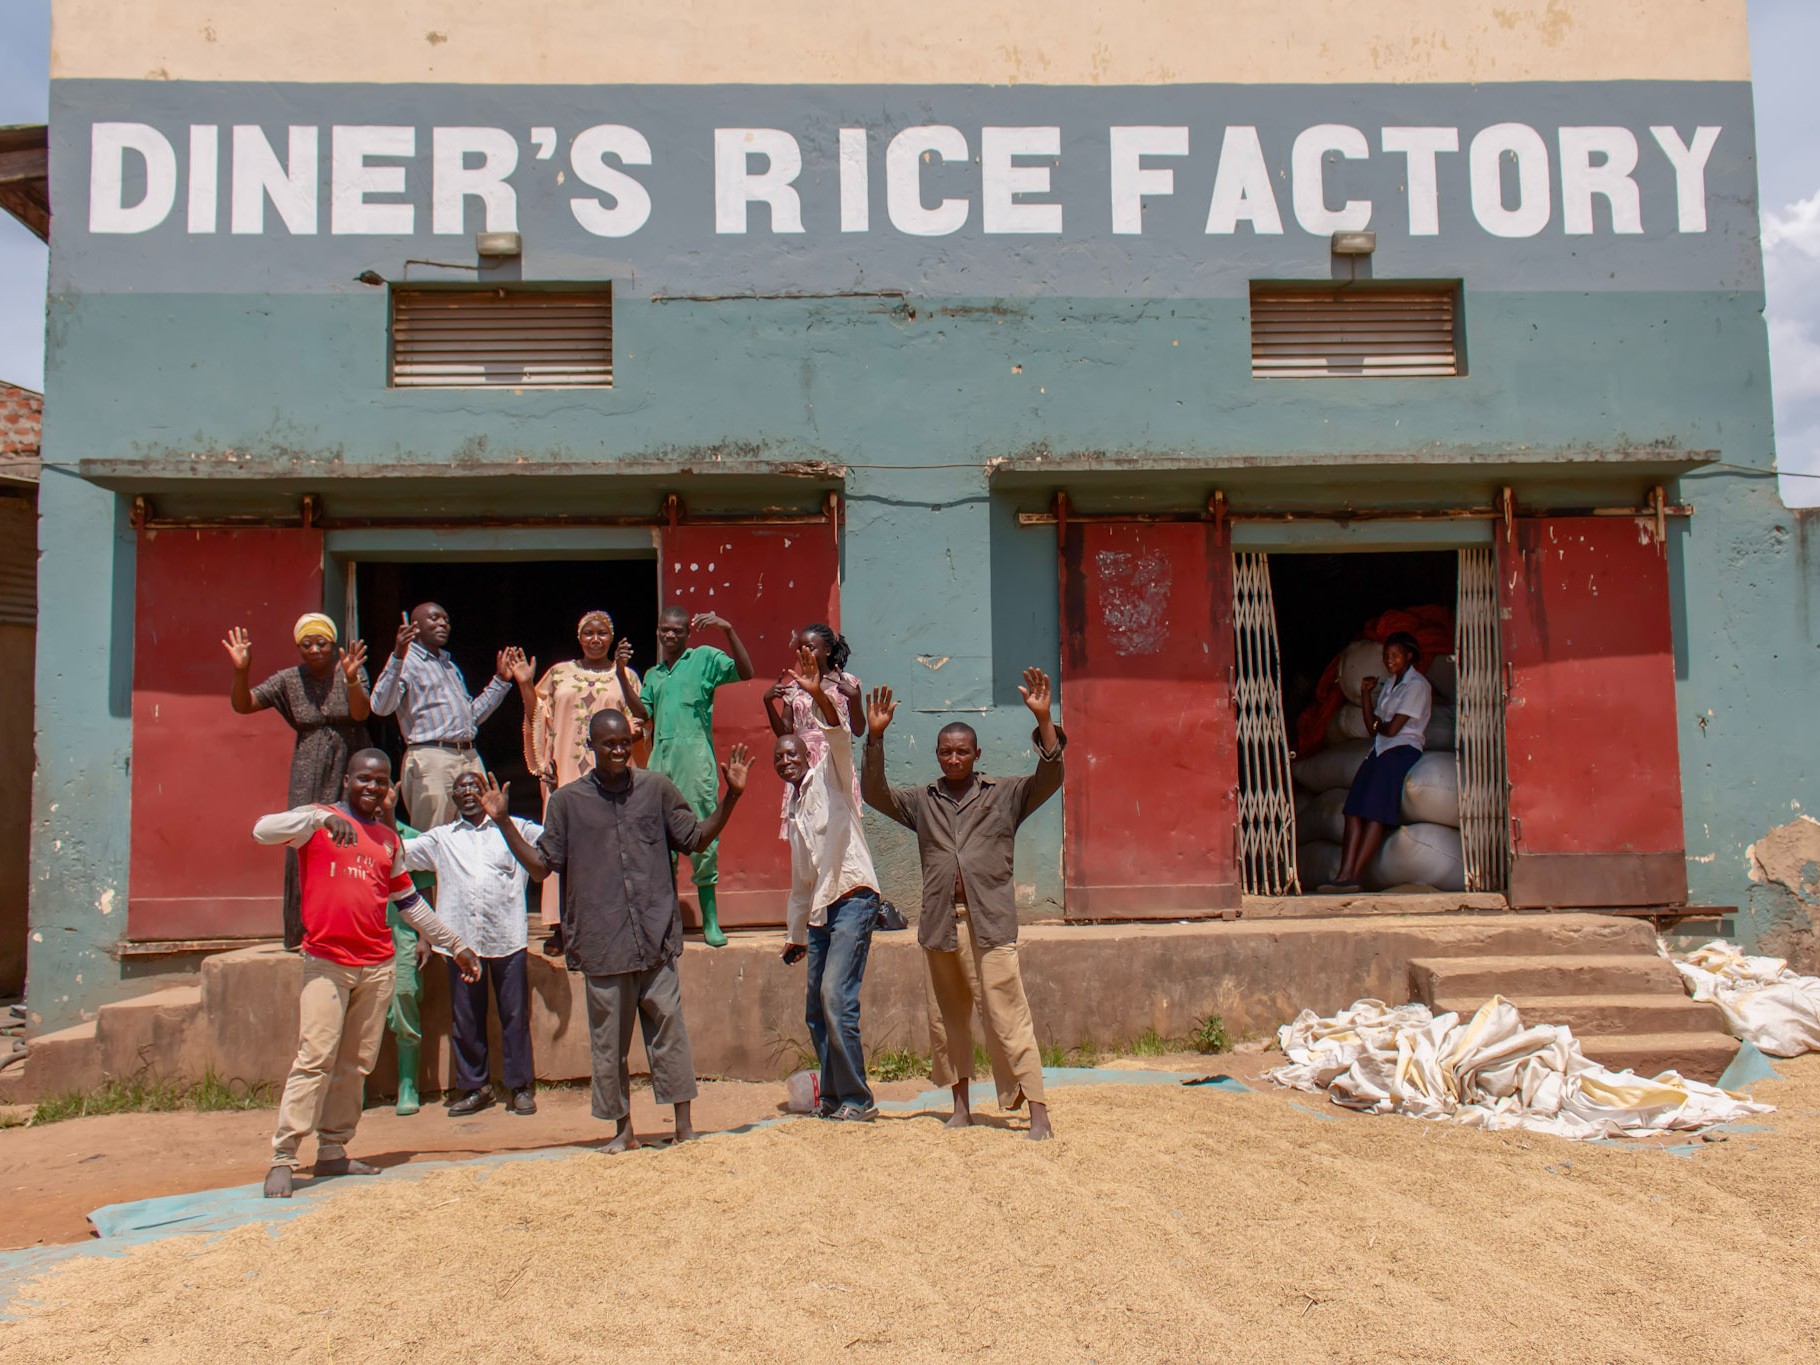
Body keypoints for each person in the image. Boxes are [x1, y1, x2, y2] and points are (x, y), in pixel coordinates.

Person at [488, 711, 751, 1153]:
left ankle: (684, 1126)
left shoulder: (656, 789)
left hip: (655, 936)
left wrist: (733, 797)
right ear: (591, 747)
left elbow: (696, 839)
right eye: (608, 744)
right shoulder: (568, 803)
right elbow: (540, 867)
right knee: (609, 1044)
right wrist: (503, 822)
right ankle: (622, 1131)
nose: (617, 751)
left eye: (624, 743)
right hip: (602, 941)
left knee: (670, 1032)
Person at [252, 749, 481, 1199]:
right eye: (363, 779)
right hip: (326, 962)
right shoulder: (316, 820)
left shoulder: (387, 839)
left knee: (356, 1063)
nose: (372, 788)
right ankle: (283, 1156)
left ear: (389, 788)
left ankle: (334, 1149)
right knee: (315, 1056)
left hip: (375, 966)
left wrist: (455, 944)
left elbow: (410, 903)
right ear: (346, 782)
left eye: (380, 781)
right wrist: (316, 822)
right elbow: (260, 831)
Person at [861, 667, 1065, 1142]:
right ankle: (960, 1107)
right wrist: (875, 738)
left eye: (962, 751)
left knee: (1007, 1012)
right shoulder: (921, 801)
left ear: (978, 754)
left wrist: (1044, 720)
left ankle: (1038, 1111)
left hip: (989, 923)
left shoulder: (1007, 795)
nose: (954, 759)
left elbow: (1051, 775)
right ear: (937, 755)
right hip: (939, 927)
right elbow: (875, 795)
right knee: (947, 1020)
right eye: (946, 752)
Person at [774, 645, 882, 1122]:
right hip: (819, 908)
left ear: (807, 751)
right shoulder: (795, 811)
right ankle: (834, 1097)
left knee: (837, 997)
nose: (787, 762)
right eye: (780, 757)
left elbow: (840, 737)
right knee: (816, 1010)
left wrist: (819, 696)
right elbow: (801, 885)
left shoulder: (833, 776)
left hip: (854, 896)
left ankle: (858, 1099)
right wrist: (795, 936)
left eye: (793, 753)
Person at [223, 614, 372, 950]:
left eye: (322, 642)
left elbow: (362, 714)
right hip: (309, 766)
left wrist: (351, 680)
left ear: (333, 644)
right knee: (306, 839)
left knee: (356, 837)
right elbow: (243, 705)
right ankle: (303, 931)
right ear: (298, 648)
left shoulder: (348, 667)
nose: (315, 649)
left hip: (352, 757)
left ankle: (354, 926)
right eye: (307, 644)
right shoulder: (289, 680)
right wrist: (241, 669)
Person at [398, 770, 542, 1117]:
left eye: (473, 786)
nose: (466, 792)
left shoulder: (518, 828)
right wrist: (390, 816)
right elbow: (398, 853)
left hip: (507, 937)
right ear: (452, 798)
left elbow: (553, 848)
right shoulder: (441, 838)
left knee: (514, 1015)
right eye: (459, 788)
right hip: (461, 943)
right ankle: (475, 1086)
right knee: (466, 1018)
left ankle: (520, 1086)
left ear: (486, 792)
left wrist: (504, 818)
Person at [624, 606, 755, 948]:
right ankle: (666, 921)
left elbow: (746, 671)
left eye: (677, 631)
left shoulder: (704, 660)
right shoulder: (653, 674)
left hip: (695, 761)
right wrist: (621, 675)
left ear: (687, 633)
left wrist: (728, 629)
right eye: (664, 630)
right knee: (658, 841)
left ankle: (710, 920)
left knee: (702, 838)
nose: (670, 635)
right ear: (658, 631)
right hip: (659, 763)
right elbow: (643, 713)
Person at [518, 610, 647, 952]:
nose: (595, 639)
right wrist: (525, 685)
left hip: (610, 776)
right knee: (561, 843)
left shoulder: (627, 676)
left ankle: (604, 922)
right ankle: (560, 923)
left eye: (602, 633)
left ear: (611, 637)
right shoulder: (559, 674)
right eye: (588, 632)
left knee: (607, 844)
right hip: (565, 774)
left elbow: (640, 722)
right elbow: (537, 717)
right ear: (579, 637)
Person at [369, 601, 526, 829]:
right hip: (432, 757)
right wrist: (397, 655)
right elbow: (380, 706)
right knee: (435, 832)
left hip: (469, 755)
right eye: (434, 618)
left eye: (446, 620)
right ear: (415, 627)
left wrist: (500, 681)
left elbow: (470, 719)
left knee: (481, 827)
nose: (443, 623)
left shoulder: (450, 666)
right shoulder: (406, 662)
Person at [1320, 631, 1433, 894]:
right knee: (1352, 810)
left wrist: (1379, 724)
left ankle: (1355, 877)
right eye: (1386, 656)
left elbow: (1392, 729)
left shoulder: (1417, 686)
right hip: (1381, 751)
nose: (1388, 660)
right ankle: (1343, 874)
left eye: (1394, 655)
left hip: (1402, 751)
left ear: (1409, 656)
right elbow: (1373, 728)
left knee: (1373, 813)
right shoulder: (1389, 685)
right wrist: (1366, 694)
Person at [763, 623, 864, 837]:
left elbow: (858, 729)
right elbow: (785, 734)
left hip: (834, 758)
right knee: (807, 829)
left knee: (837, 828)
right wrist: (768, 702)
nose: (803, 653)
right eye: (800, 648)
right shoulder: (794, 687)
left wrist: (854, 698)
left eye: (810, 647)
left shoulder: (847, 683)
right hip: (803, 762)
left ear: (827, 650)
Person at [387, 816, 434, 1116]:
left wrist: (425, 937)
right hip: (360, 932)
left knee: (404, 995)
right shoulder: (346, 830)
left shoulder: (412, 838)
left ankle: (407, 1083)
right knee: (357, 1010)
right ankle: (354, 1086)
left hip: (401, 933)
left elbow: (424, 892)